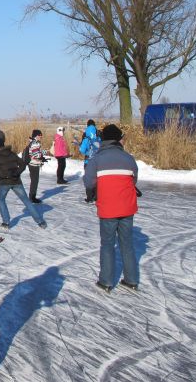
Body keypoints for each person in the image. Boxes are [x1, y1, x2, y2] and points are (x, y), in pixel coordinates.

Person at [82, 124, 140, 292]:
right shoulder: (129, 158)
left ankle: (106, 281)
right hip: (127, 208)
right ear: (118, 139)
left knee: (108, 245)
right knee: (127, 244)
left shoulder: (97, 159)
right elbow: (134, 180)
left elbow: (88, 182)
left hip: (108, 208)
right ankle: (132, 279)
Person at [0, 137, 46, 229]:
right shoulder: (12, 154)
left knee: (1, 200)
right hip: (16, 181)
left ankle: (6, 222)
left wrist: (1, 174)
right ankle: (40, 221)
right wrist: (16, 173)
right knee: (26, 201)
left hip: (4, 182)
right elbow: (22, 164)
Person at [80, 120, 101, 202]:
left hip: (88, 162)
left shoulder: (86, 138)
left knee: (89, 179)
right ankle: (96, 196)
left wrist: (87, 153)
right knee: (97, 178)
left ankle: (89, 197)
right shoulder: (98, 137)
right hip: (97, 162)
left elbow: (82, 150)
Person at [24, 129, 47, 203]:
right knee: (34, 181)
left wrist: (42, 156)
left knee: (34, 181)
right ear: (36, 136)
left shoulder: (34, 142)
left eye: (41, 135)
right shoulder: (35, 143)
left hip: (33, 164)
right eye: (40, 135)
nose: (41, 136)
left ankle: (32, 196)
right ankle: (32, 197)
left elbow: (36, 152)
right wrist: (43, 155)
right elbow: (36, 154)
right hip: (34, 164)